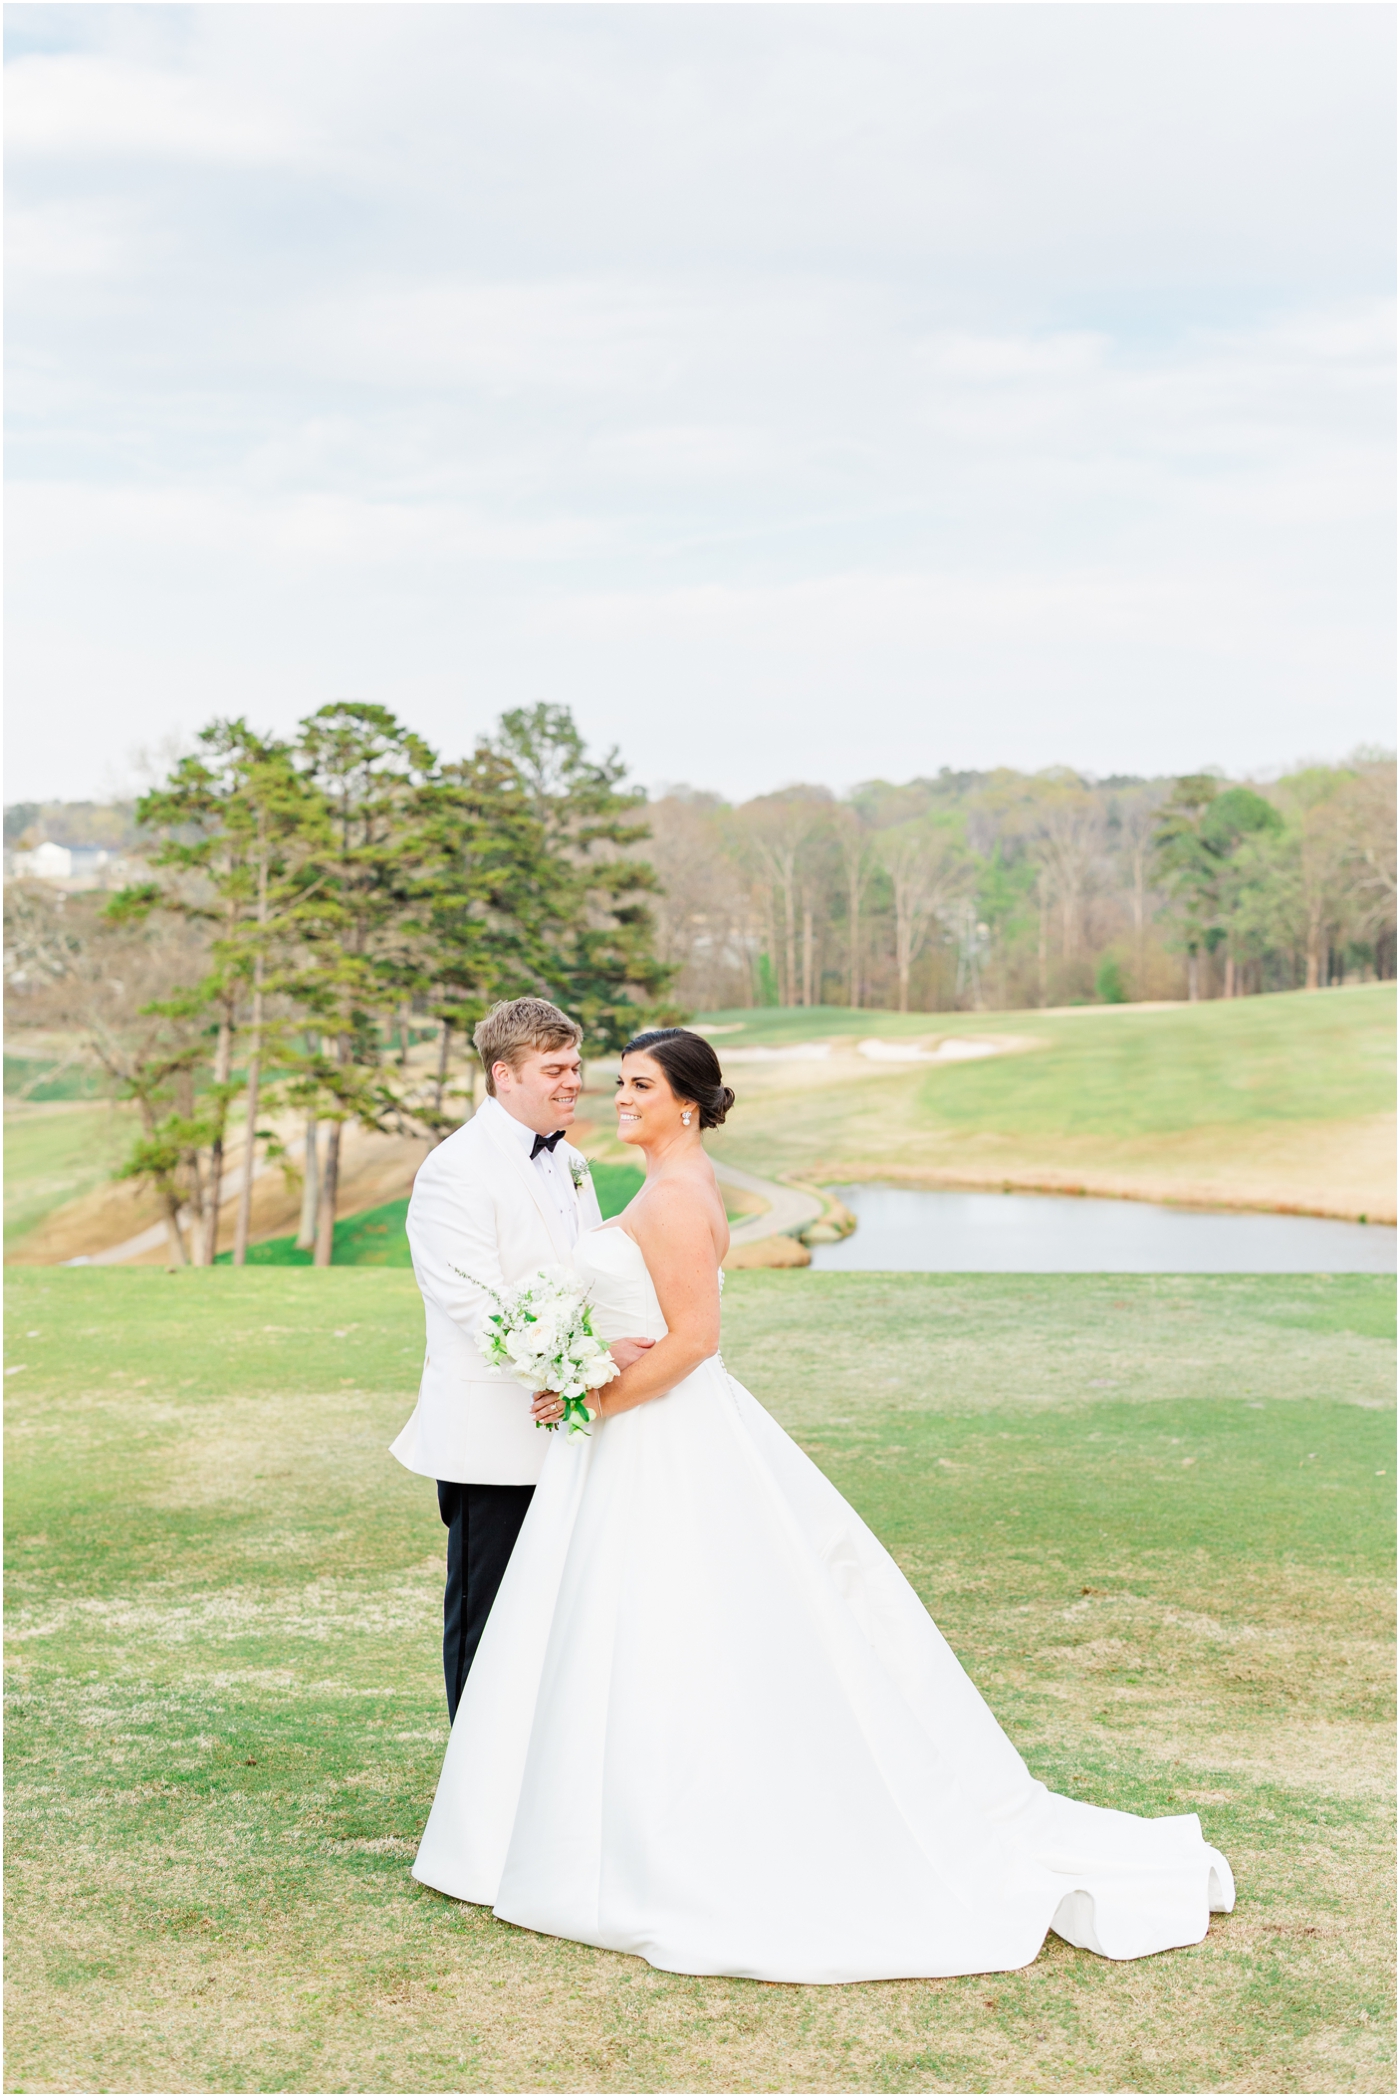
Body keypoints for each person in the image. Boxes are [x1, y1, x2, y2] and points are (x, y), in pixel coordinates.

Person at [410, 1027, 1234, 1983]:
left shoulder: (675, 1196)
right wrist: (585, 1355)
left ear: (685, 1102)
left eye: (637, 1084)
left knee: (665, 1625)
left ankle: (659, 1825)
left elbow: (692, 1343)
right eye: (613, 1079)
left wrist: (591, 1391)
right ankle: (575, 1806)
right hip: (637, 1437)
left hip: (656, 1432)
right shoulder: (650, 1178)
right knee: (624, 1627)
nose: (614, 1094)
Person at [389, 997, 654, 1721]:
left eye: (576, 1065)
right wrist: (591, 1362)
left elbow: (585, 1277)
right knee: (489, 1618)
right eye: (556, 1068)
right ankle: (476, 1805)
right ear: (504, 1074)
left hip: (568, 1427)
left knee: (556, 1616)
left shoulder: (568, 1159)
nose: (574, 1080)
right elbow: (478, 1304)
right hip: (493, 1439)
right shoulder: (454, 1171)